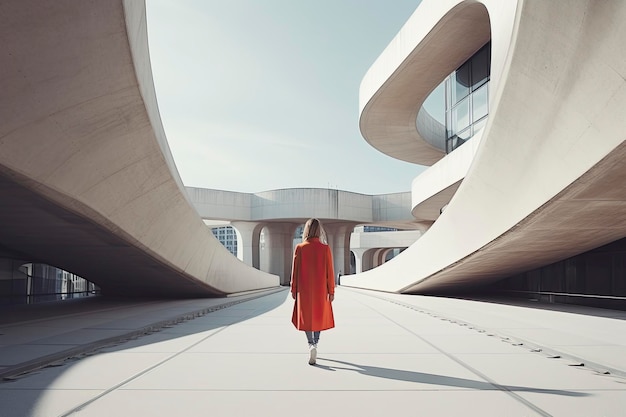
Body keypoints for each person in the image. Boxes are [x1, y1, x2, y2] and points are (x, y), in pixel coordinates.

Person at [290, 218, 335, 365]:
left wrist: (293, 288)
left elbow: (295, 271)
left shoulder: (300, 248)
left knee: (307, 318)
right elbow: (330, 271)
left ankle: (311, 344)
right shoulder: (325, 248)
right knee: (318, 317)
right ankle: (316, 343)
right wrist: (331, 290)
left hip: (304, 290)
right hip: (321, 289)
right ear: (319, 231)